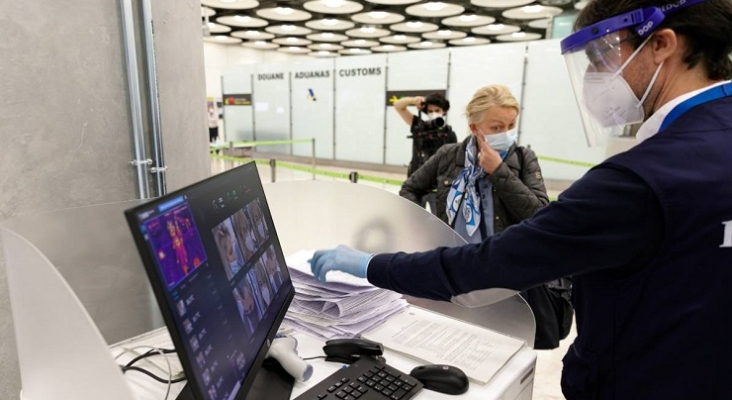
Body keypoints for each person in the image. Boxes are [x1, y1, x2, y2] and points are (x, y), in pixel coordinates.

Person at [310, 0, 732, 398]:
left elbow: (493, 263)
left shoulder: (640, 179)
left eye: (602, 56)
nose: (595, 75)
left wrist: (370, 264)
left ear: (660, 44)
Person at [399, 84, 572, 350]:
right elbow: (411, 188)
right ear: (474, 128)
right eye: (496, 127)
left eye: (511, 125)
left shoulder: (524, 158)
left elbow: (540, 213)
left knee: (499, 352)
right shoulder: (448, 155)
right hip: (454, 272)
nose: (506, 133)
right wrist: (427, 229)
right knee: (449, 346)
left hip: (505, 281)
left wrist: (499, 171)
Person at [394, 93, 458, 213]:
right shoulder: (419, 126)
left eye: (437, 110)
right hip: (417, 184)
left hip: (439, 186)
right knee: (413, 219)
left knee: (441, 222)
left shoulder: (449, 133)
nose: (433, 113)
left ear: (443, 111)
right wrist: (414, 100)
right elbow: (398, 105)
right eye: (430, 110)